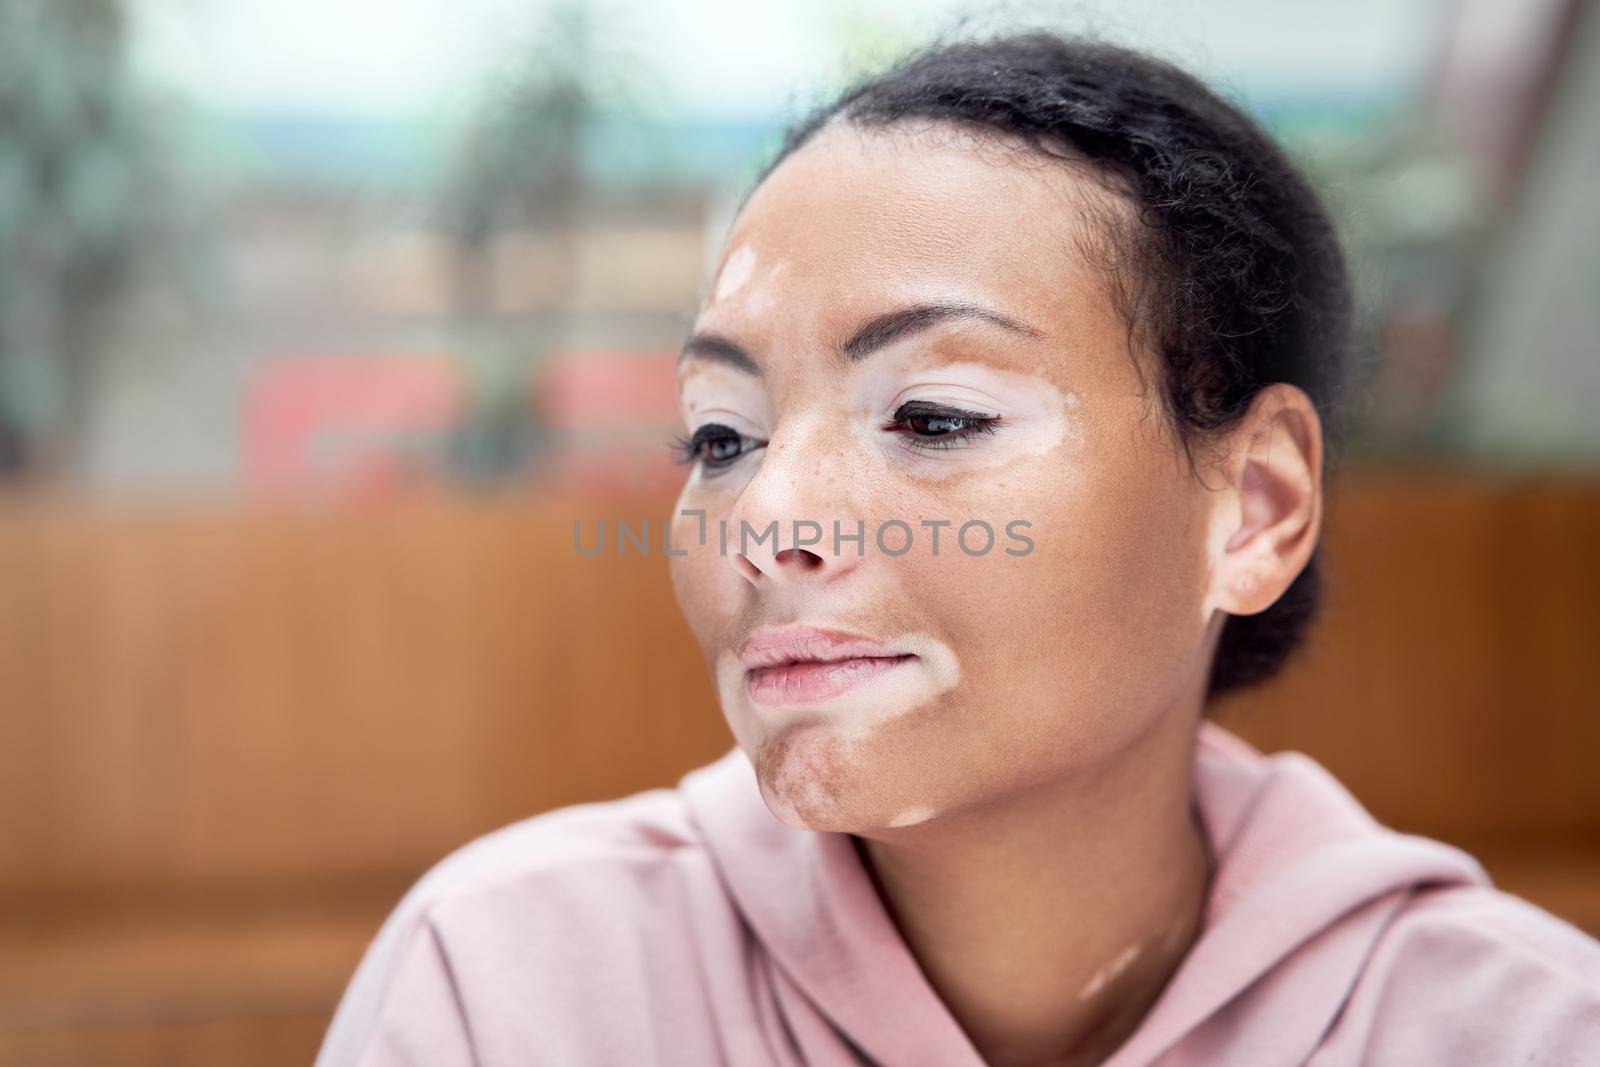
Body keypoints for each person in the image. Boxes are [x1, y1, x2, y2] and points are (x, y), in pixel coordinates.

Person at [315, 31, 1600, 1066]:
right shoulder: (510, 985)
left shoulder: (1522, 1026)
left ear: (1253, 508)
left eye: (935, 415)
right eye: (721, 436)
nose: (767, 519)